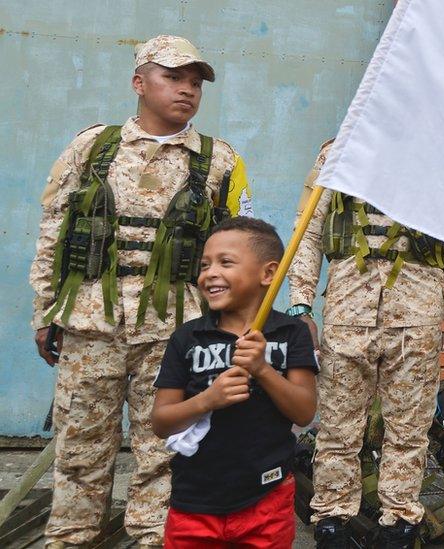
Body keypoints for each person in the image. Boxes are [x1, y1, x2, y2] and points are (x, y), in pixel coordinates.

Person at [28, 35, 252, 548]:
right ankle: (72, 536)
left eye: (195, 82)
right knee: (81, 447)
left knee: (165, 447)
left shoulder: (220, 161)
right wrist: (45, 311)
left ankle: (155, 539)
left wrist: (231, 324)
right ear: (139, 82)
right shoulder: (92, 147)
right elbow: (53, 232)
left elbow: (240, 246)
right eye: (173, 77)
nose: (187, 90)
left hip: (175, 331)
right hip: (90, 325)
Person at [287, 140, 444, 548]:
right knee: (339, 430)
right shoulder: (337, 152)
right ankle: (332, 525)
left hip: (418, 317)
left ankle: (399, 526)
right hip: (346, 313)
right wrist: (301, 304)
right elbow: (306, 229)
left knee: (409, 432)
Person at [151, 217, 316, 547]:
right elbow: (160, 421)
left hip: (267, 499)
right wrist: (207, 400)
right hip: (194, 503)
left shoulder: (289, 333)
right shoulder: (188, 337)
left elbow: (304, 412)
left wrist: (263, 369)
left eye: (225, 262)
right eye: (205, 264)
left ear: (268, 274)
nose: (209, 273)